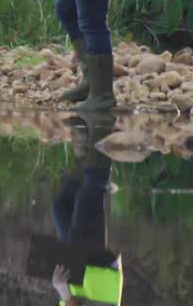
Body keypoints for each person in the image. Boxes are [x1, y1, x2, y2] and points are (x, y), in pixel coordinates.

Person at [50, 113, 123, 305]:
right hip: (96, 270)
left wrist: (63, 291)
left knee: (62, 207)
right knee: (91, 192)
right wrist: (65, 294)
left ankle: (86, 153)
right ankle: (101, 130)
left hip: (79, 273)